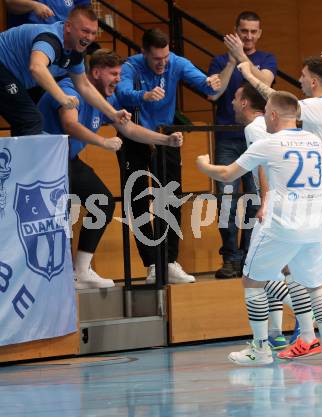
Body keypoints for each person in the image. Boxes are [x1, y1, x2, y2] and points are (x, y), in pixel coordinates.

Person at [197, 91, 322, 366]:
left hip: (282, 223)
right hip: (314, 222)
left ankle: (260, 349)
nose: (264, 116)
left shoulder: (269, 143)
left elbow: (228, 174)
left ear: (273, 115)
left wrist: (203, 165)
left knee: (252, 281)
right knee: (317, 286)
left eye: (267, 111)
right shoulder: (314, 140)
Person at [238, 50, 322, 360]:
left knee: (302, 271)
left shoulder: (311, 107)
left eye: (304, 76)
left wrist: (250, 76)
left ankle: (308, 336)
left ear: (315, 80)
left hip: (321, 200)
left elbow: (278, 101)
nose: (301, 80)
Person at [38, 49, 184, 289]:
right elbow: (69, 124)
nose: (118, 78)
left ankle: (81, 271)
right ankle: (52, 277)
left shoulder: (108, 98)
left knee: (102, 202)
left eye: (119, 74)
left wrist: (164, 140)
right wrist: (103, 142)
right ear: (95, 73)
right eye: (113, 73)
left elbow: (129, 129)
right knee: (57, 216)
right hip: (44, 161)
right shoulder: (70, 88)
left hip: (66, 159)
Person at [116, 28, 223, 284]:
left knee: (171, 199)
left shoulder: (176, 62)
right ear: (144, 53)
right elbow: (120, 92)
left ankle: (170, 261)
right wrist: (143, 95)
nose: (162, 63)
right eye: (156, 59)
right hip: (136, 138)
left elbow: (203, 83)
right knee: (139, 202)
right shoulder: (132, 66)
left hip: (168, 137)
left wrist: (212, 81)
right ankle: (152, 264)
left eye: (165, 57)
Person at [208, 11, 277, 279]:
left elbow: (265, 83)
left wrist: (243, 58)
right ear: (236, 31)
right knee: (226, 199)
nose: (248, 36)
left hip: (258, 137)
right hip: (228, 138)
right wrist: (230, 61)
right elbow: (214, 92)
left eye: (253, 32)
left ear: (259, 34)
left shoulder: (266, 59)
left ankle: (249, 255)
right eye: (244, 31)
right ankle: (230, 258)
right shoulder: (218, 60)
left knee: (253, 201)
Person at [0, 5, 130, 137]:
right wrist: (62, 98)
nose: (89, 37)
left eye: (93, 33)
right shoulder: (51, 39)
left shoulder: (75, 52)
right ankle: (24, 158)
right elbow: (37, 68)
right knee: (30, 120)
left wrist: (112, 113)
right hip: (3, 66)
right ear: (68, 27)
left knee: (29, 120)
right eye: (85, 31)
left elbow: (84, 86)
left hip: (11, 76)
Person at [232, 82, 292, 351]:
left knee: (255, 272)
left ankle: (308, 307)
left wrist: (265, 201)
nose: (232, 102)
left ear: (245, 102)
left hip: (275, 205)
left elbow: (266, 166)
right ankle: (276, 333)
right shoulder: (263, 127)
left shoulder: (254, 127)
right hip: (287, 203)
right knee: (271, 269)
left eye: (235, 97)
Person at [5, 0, 91, 28]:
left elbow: (84, 11)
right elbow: (10, 3)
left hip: (68, 39)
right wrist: (34, 5)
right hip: (38, 36)